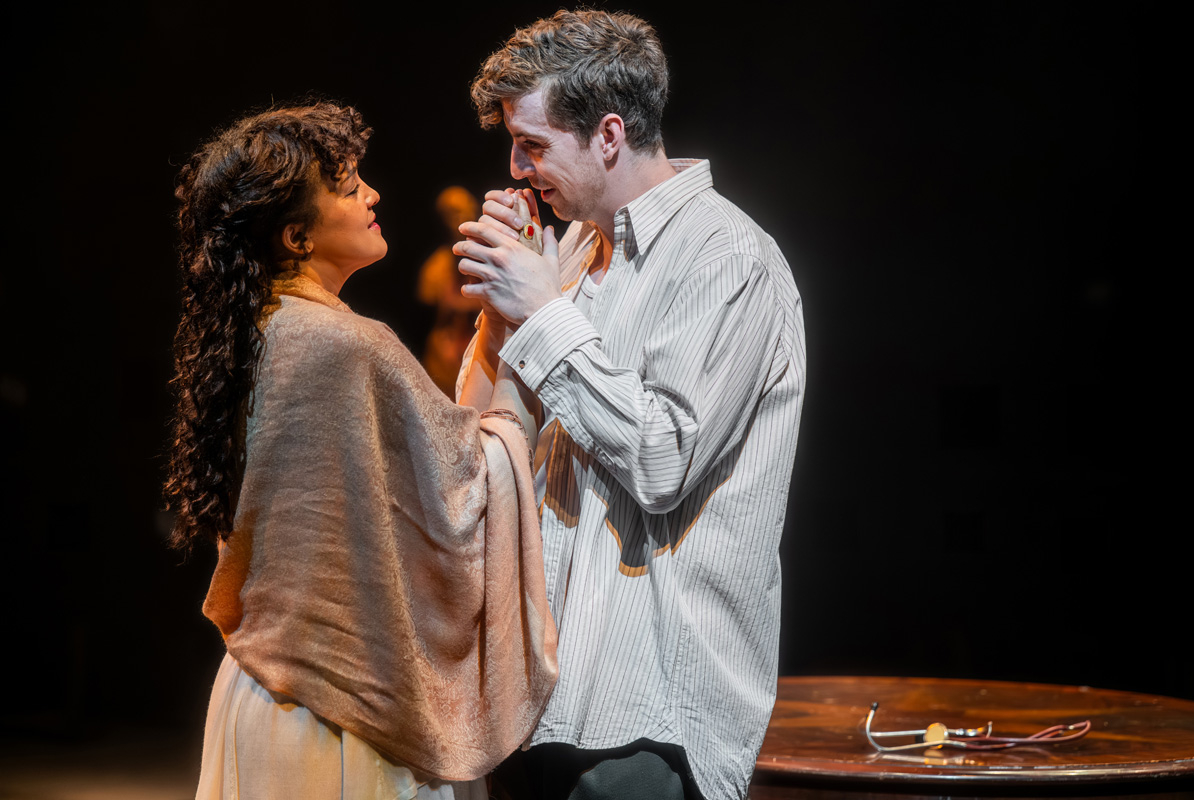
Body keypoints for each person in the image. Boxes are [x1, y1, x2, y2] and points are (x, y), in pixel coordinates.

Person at [453, 10, 807, 800]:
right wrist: (504, 314)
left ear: (609, 135)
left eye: (532, 144)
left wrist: (543, 314)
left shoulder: (728, 257)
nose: (515, 167)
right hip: (536, 706)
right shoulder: (571, 253)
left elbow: (662, 460)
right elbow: (483, 448)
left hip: (648, 722)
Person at [165, 102, 557, 800]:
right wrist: (533, 316)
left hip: (266, 698)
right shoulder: (346, 346)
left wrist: (496, 321)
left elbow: (445, 448)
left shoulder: (262, 332)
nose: (373, 194)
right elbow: (473, 482)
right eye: (348, 188)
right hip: (343, 717)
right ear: (296, 236)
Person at [418, 186, 484, 397]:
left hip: (481, 351)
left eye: (468, 208)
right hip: (444, 358)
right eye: (454, 213)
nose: (463, 216)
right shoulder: (436, 267)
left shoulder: (488, 260)